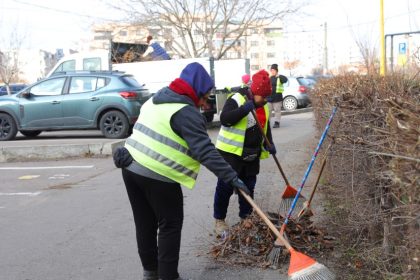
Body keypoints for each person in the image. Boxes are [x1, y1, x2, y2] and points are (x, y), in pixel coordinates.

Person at [112, 62, 250, 280]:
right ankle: (168, 276)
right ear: (196, 89)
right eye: (205, 96)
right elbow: (205, 151)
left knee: (144, 223)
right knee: (170, 225)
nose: (205, 102)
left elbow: (143, 129)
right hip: (158, 176)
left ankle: (151, 273)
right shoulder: (185, 112)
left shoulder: (156, 98)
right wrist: (232, 177)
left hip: (130, 168)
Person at [213, 70, 277, 236]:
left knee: (249, 186)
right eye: (263, 97)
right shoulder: (236, 99)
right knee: (225, 187)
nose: (265, 101)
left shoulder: (263, 106)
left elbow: (265, 126)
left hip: (251, 154)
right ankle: (219, 220)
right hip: (231, 153)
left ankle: (246, 217)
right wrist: (244, 109)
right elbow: (225, 119)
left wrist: (269, 143)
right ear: (255, 92)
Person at [267, 64, 288, 128]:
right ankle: (267, 123)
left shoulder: (280, 77)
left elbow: (285, 80)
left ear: (276, 71)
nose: (272, 71)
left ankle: (277, 122)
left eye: (273, 70)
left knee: (277, 111)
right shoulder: (270, 78)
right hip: (269, 98)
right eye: (271, 70)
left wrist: (279, 76)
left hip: (277, 98)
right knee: (268, 111)